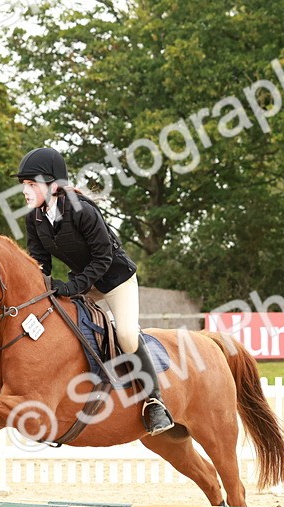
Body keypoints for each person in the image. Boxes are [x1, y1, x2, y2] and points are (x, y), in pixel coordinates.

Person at [14, 146, 174, 435]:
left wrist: (71, 286)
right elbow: (40, 263)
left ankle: (154, 402)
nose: (25, 191)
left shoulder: (82, 210)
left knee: (126, 334)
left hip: (116, 280)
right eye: (24, 184)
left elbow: (103, 258)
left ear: (53, 185)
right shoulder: (34, 219)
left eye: (31, 184)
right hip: (85, 283)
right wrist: (38, 289)